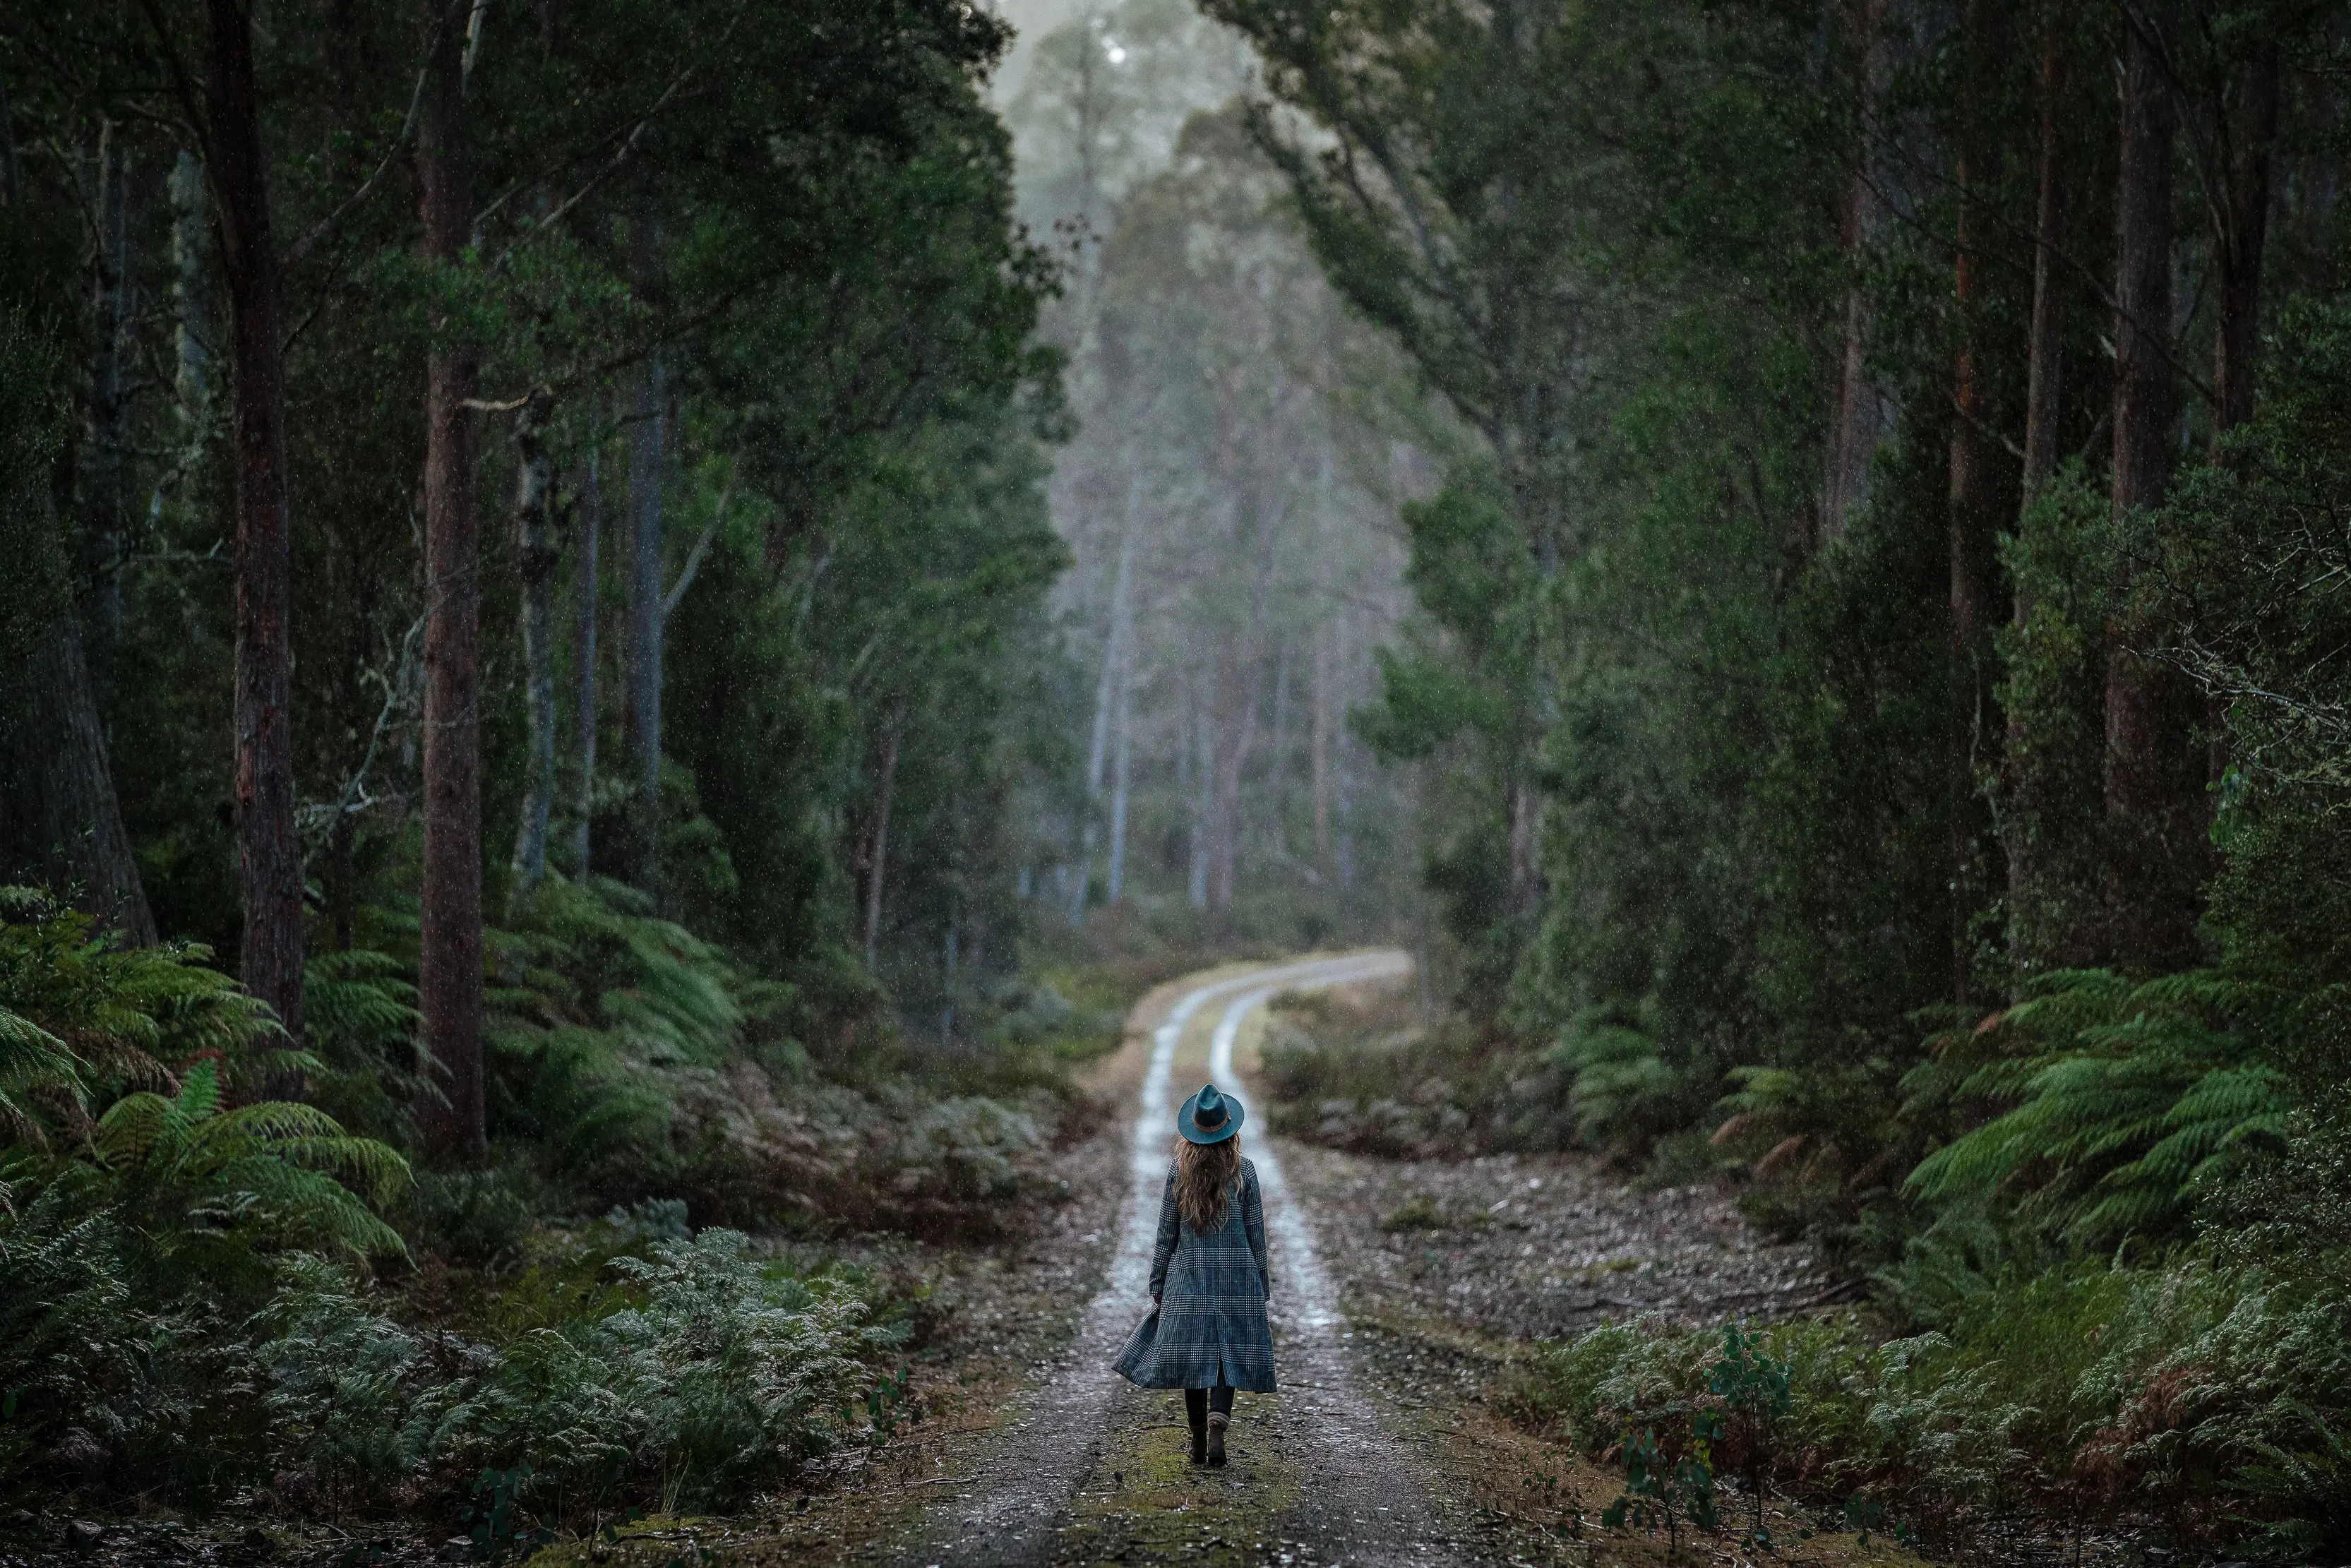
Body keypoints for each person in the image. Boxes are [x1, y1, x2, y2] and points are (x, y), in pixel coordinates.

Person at [1112, 1081, 1274, 1467]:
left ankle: (1199, 1438)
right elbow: (1256, 1232)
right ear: (1229, 1130)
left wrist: (1158, 1281)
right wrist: (1262, 1281)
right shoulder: (1244, 1172)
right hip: (1236, 1279)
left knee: (1194, 1354)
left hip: (1189, 1280)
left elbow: (1166, 1232)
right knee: (1227, 1351)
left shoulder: (1178, 1172)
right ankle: (1220, 1419)